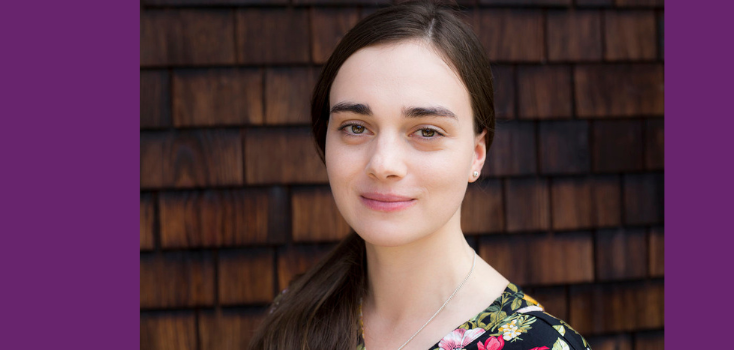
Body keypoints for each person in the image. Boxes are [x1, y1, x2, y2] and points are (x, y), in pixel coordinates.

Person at [249, 1, 590, 349]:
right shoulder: (296, 317)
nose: (383, 164)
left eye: (426, 132)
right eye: (355, 127)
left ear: (477, 154)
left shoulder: (544, 346)